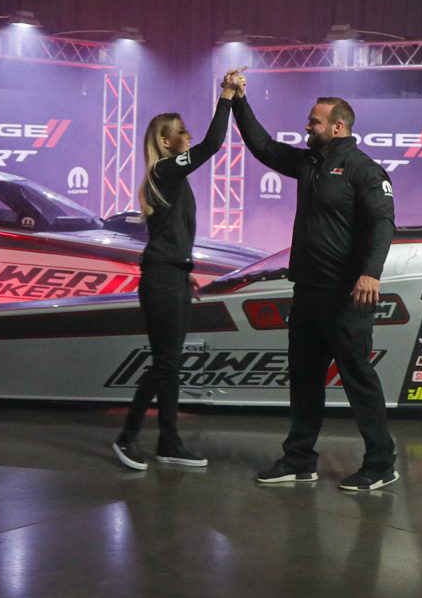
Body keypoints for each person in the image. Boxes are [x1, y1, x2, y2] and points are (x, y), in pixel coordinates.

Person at [229, 74, 399, 492]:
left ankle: (381, 463)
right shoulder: (309, 163)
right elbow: (264, 147)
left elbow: (383, 223)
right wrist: (237, 101)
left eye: (315, 122)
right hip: (307, 292)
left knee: (358, 380)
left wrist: (370, 272)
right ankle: (299, 459)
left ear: (338, 126)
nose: (308, 128)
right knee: (304, 379)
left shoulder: (363, 169)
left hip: (346, 297)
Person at [110, 75, 237, 472]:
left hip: (173, 276)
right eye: (182, 132)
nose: (189, 135)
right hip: (161, 279)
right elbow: (213, 145)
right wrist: (226, 97)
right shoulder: (164, 171)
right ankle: (128, 437)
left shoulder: (172, 179)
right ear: (166, 142)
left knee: (170, 362)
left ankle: (168, 442)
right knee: (165, 363)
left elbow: (173, 235)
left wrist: (184, 270)